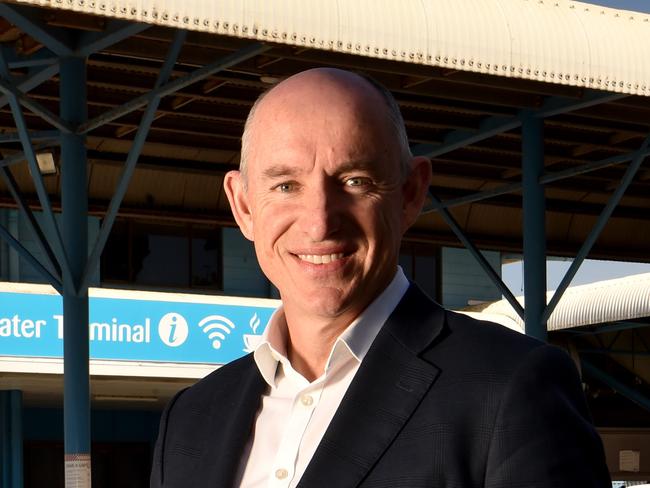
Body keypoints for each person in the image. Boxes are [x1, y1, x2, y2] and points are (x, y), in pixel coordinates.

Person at [150, 68, 611, 487]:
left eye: (354, 181)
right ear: (244, 206)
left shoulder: (510, 389)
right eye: (286, 185)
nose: (319, 223)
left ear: (410, 194)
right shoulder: (190, 418)